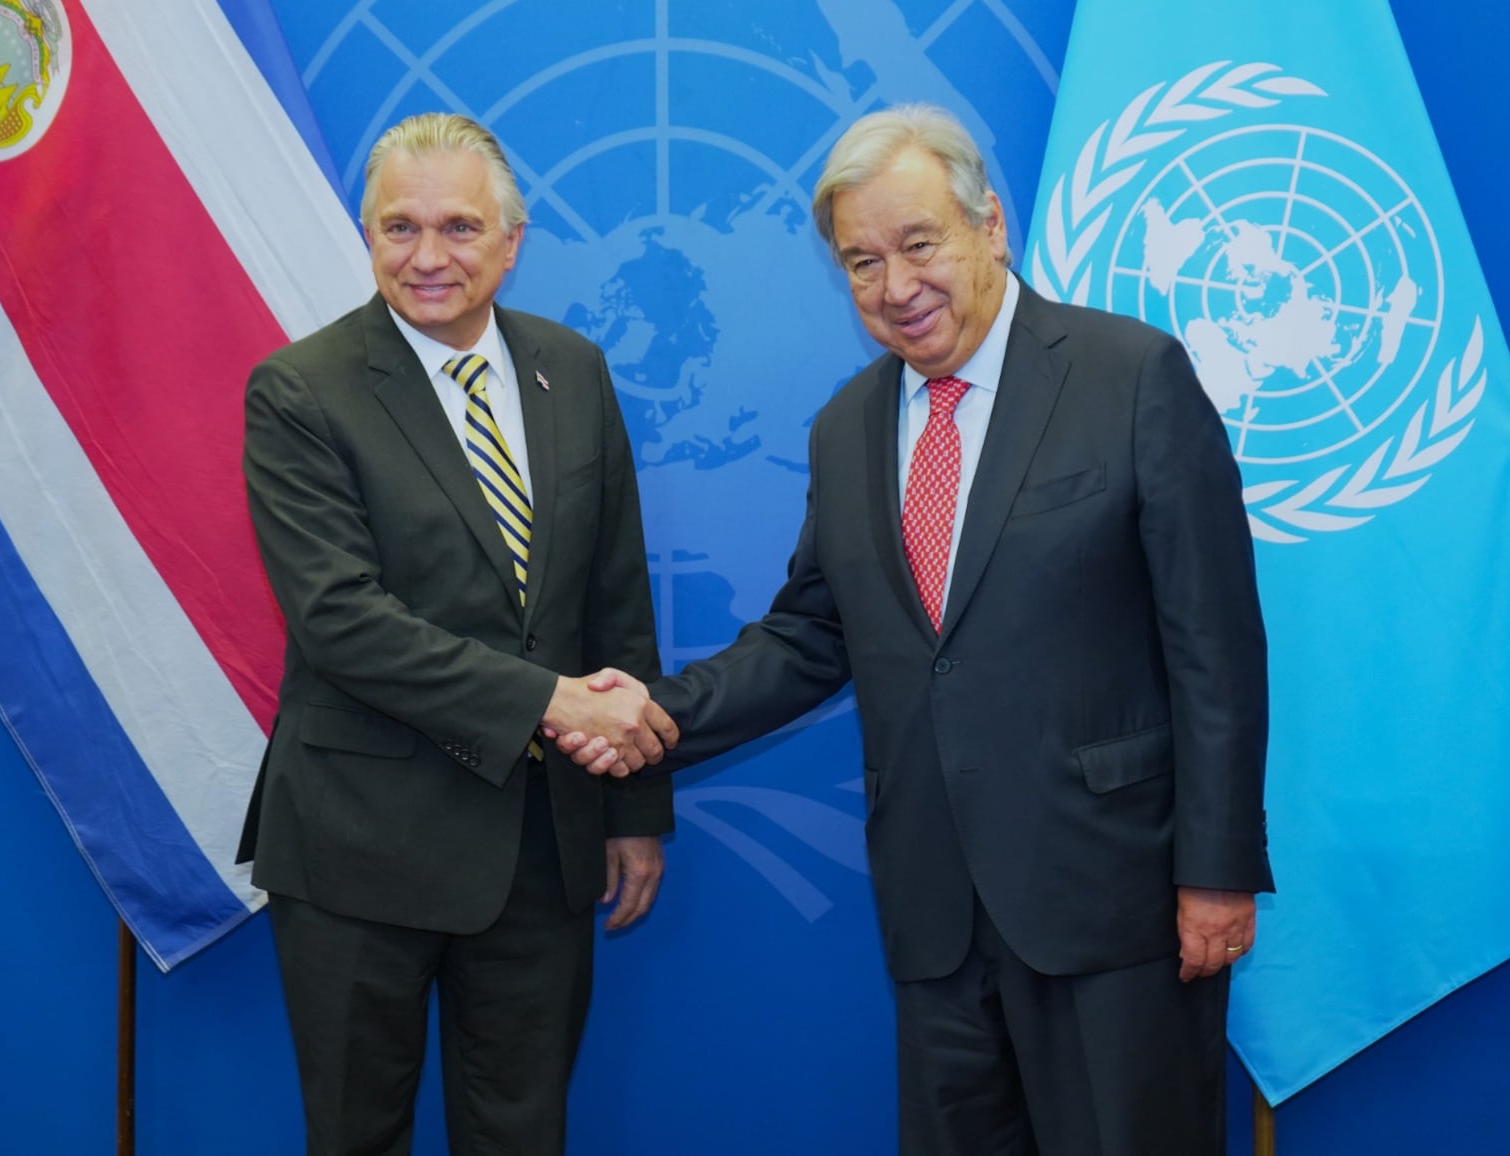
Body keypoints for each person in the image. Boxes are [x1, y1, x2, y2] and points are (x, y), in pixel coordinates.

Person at [559, 104, 1272, 1155]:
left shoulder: (1130, 377)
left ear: (989, 224)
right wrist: (650, 715)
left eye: (917, 244)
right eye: (860, 261)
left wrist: (1214, 870)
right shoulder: (846, 426)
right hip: (935, 919)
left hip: (1112, 905)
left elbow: (1215, 646)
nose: (894, 287)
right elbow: (809, 638)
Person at [237, 111, 676, 1156]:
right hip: (358, 844)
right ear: (368, 234)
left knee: (524, 1134)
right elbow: (341, 621)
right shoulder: (300, 390)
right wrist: (547, 702)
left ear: (511, 241)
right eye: (398, 228)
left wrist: (632, 805)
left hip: (541, 840)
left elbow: (615, 599)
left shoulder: (573, 370)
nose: (427, 256)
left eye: (458, 228)